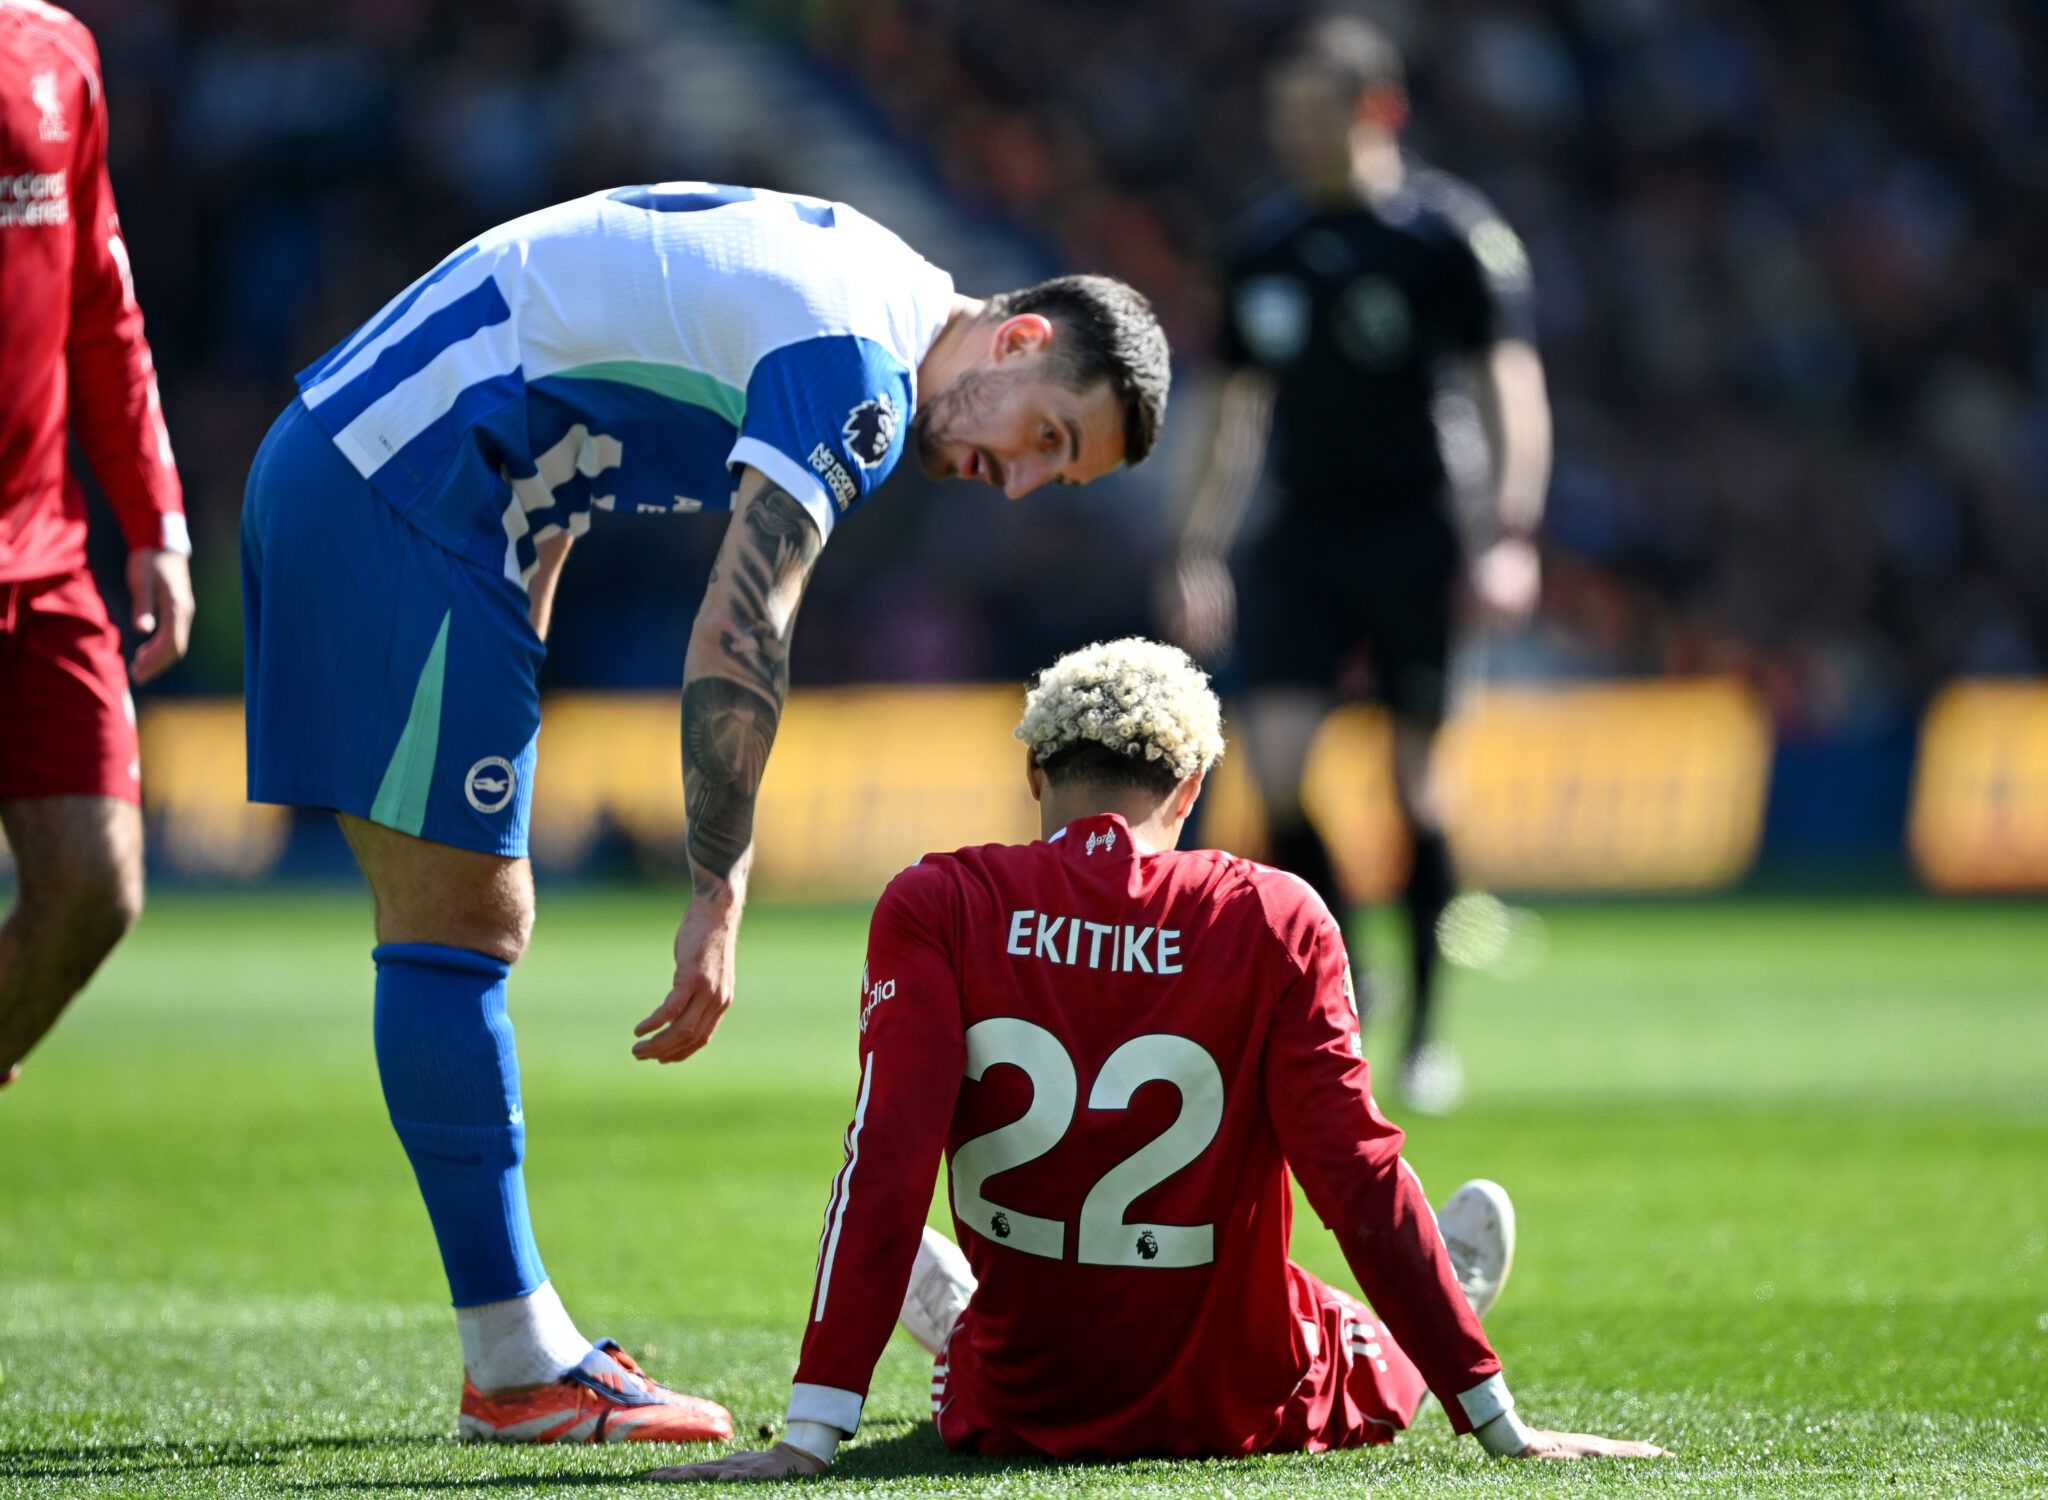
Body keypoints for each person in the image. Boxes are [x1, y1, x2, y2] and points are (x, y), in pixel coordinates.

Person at [240, 182, 1170, 1444]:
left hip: (397, 472)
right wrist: (717, 886)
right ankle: (515, 1366)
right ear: (1016, 339)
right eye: (1049, 438)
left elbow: (568, 382)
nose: (1017, 483)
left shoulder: (872, 287)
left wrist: (522, 617)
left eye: (1056, 478)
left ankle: (515, 1355)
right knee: (461, 919)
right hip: (405, 486)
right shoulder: (859, 374)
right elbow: (742, 627)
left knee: (460, 919)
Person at [653, 639, 1664, 1480]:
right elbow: (1353, 1176)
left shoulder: (935, 904)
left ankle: (965, 1313)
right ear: (1190, 786)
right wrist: (1495, 1417)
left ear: (1032, 776)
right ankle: (1429, 1312)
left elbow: (885, 1163)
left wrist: (811, 1435)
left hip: (1013, 1402)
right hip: (1233, 1398)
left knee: (986, 1337)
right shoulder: (1275, 914)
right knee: (1356, 1335)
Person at [1161, 14, 1553, 1113]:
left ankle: (1428, 1034)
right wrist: (1197, 545)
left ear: (1374, 113)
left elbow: (1507, 387)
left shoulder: (1446, 237)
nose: (1290, 134)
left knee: (1417, 786)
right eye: (1279, 115)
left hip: (1419, 530)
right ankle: (1351, 973)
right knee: (1273, 770)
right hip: (1301, 534)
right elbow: (1230, 410)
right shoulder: (1261, 245)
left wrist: (1507, 534)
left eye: (1309, 114)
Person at [1, 0, 192, 1090]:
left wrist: (153, 520)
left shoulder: (57, 50)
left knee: (98, 886)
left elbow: (101, 311)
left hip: (43, 555)